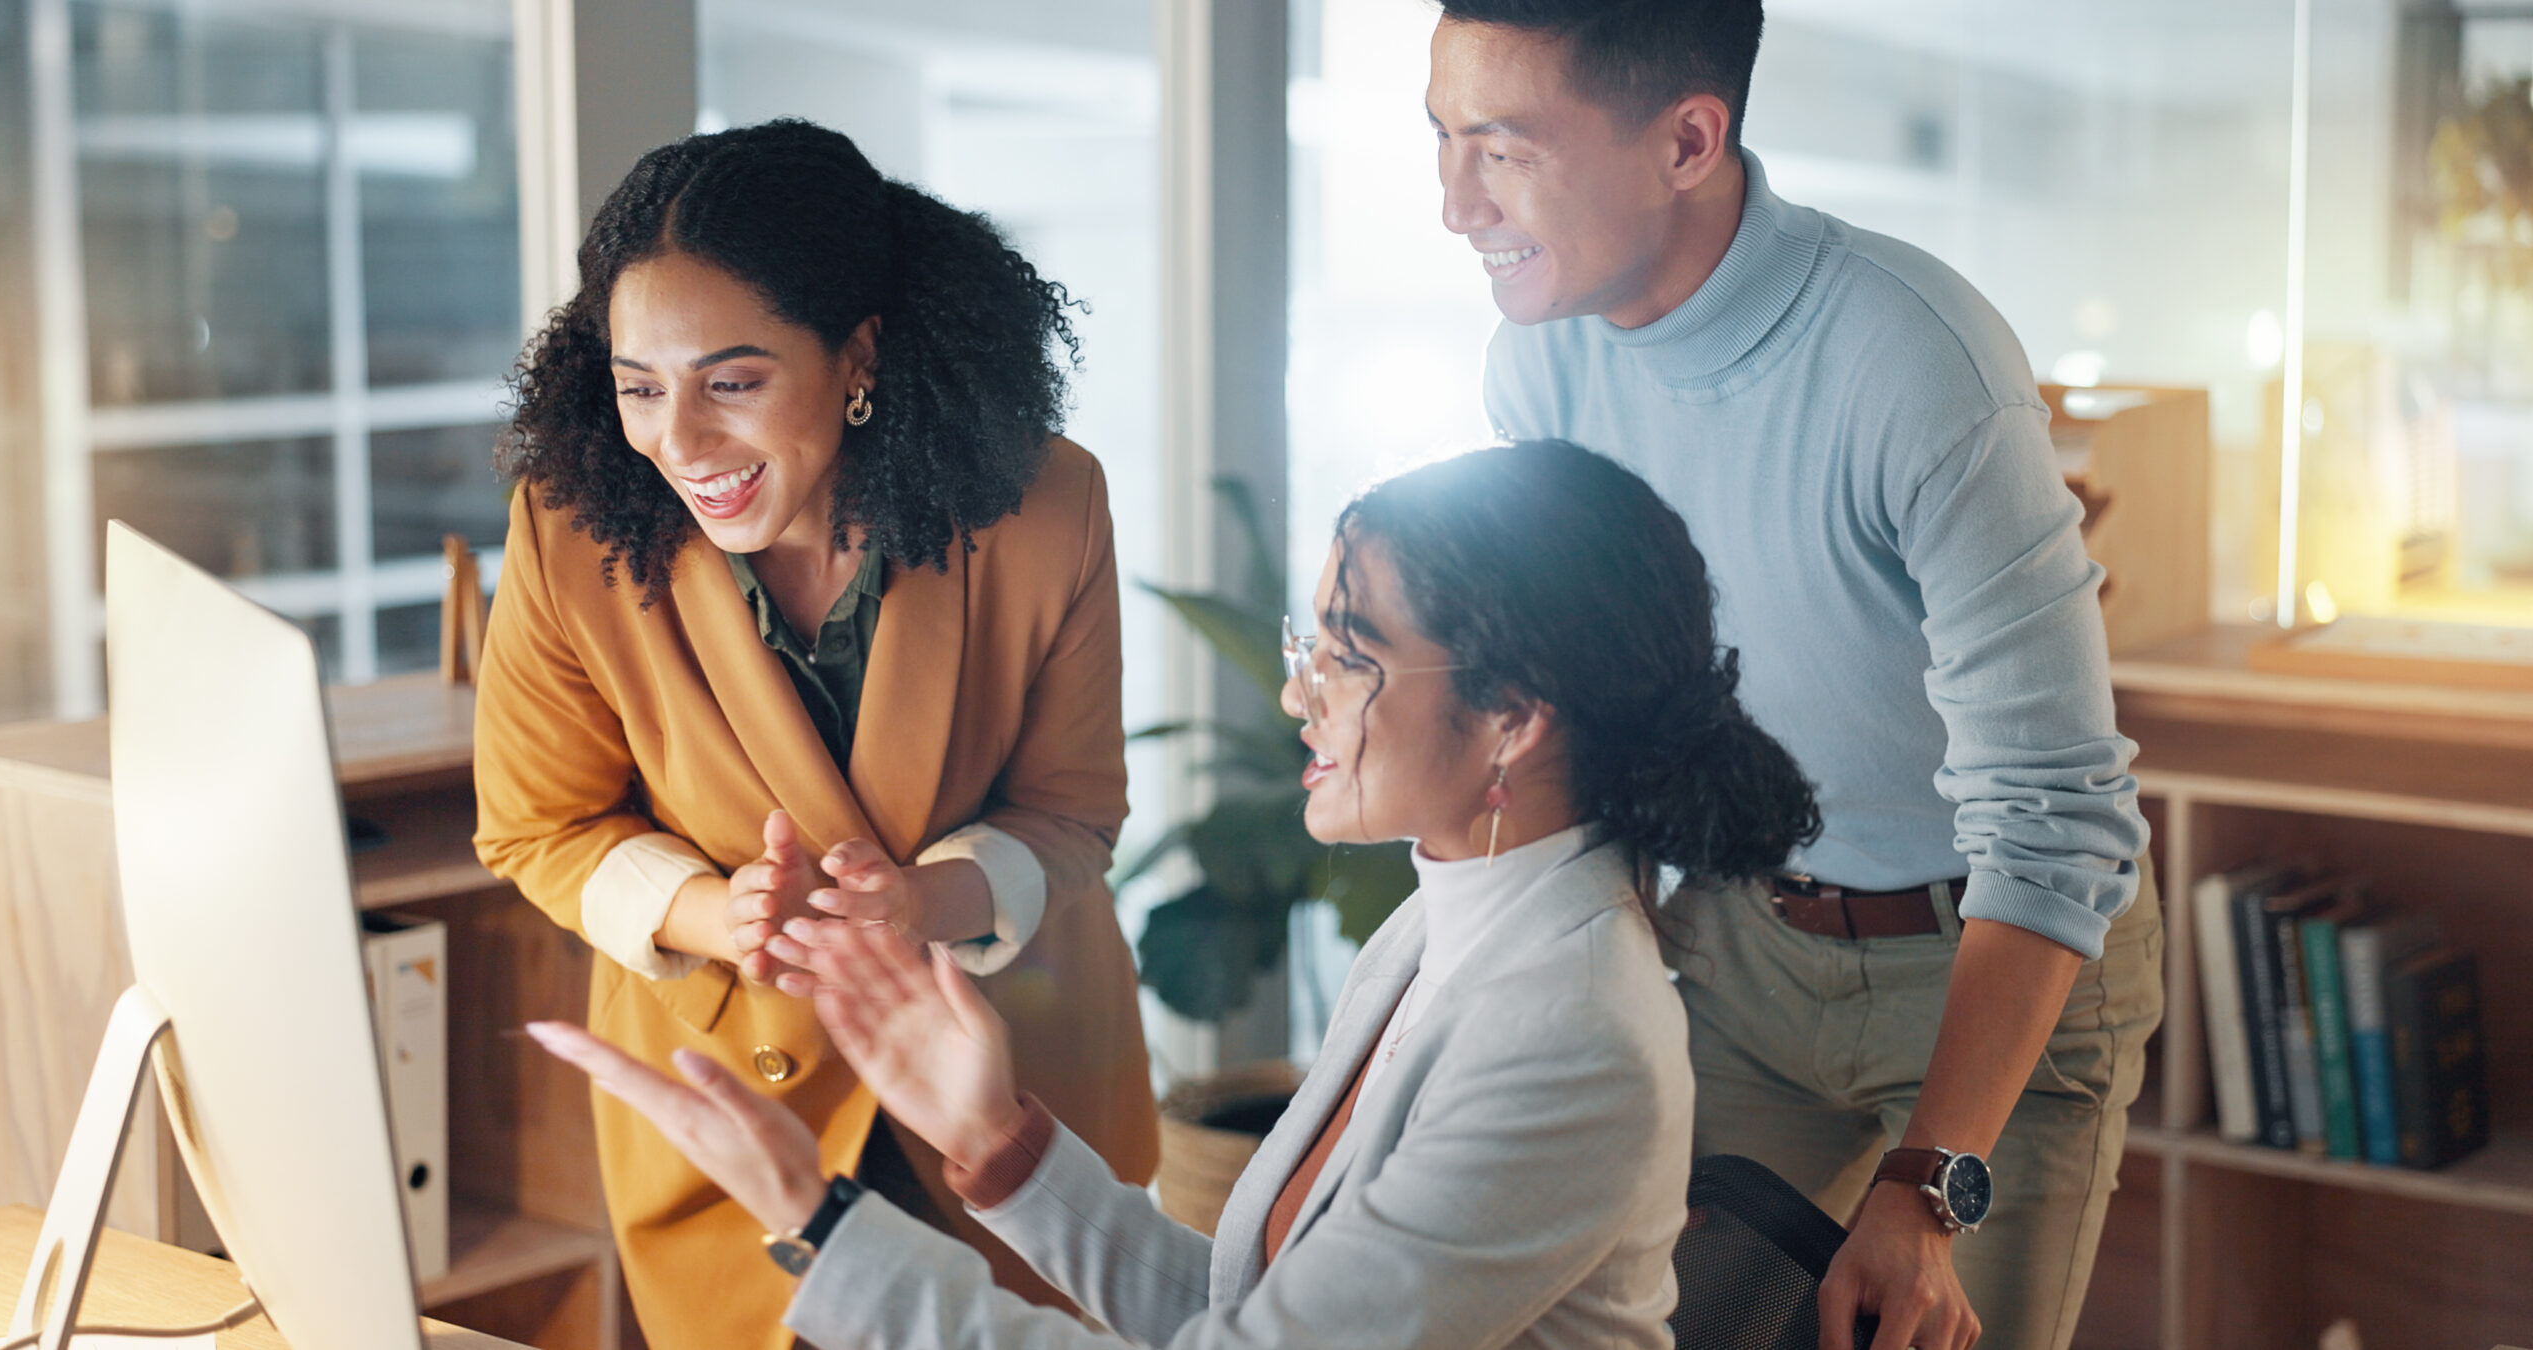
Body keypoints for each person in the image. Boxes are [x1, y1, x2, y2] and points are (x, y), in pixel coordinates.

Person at [529, 439, 1822, 1349]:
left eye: (1346, 653)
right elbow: (1247, 1308)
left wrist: (820, 1215)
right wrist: (1002, 1145)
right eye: (1304, 642)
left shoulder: (1571, 1030)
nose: (1295, 693)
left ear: (1514, 719)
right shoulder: (1455, 914)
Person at [1425, 5, 2163, 1349]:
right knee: (1621, 1322)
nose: (1453, 202)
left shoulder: (1914, 363)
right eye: (1440, 140)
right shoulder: (1537, 362)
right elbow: (1606, 715)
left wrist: (1930, 1183)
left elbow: (2058, 821)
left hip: (1988, 951)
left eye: (1502, 150)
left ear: (1689, 141)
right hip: (1743, 940)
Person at [471, 118, 1157, 1350]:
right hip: (743, 1110)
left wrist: (913, 909)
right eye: (639, 387)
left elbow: (1071, 815)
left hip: (1012, 1102)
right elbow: (540, 825)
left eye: (732, 381)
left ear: (858, 356)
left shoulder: (1049, 506)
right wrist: (712, 913)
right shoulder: (569, 529)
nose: (679, 441)